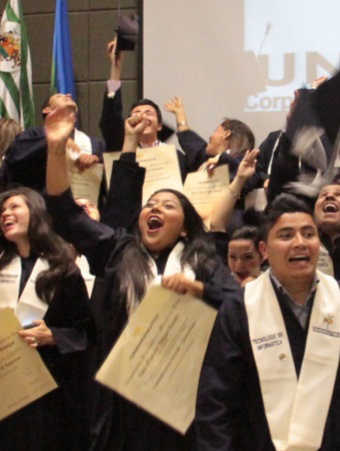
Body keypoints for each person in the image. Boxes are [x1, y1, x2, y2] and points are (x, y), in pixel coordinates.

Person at [46, 109, 238, 451]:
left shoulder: (202, 258)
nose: (155, 209)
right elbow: (65, 214)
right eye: (150, 205)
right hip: (127, 401)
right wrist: (56, 150)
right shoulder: (118, 252)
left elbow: (238, 306)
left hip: (190, 397)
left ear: (184, 226)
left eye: (168, 206)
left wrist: (199, 289)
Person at [194, 195, 340, 451]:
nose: (300, 243)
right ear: (264, 251)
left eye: (309, 234)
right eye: (286, 235)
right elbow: (217, 396)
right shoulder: (238, 308)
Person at [0, 104, 95, 451]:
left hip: (43, 392)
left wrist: (54, 336)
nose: (6, 213)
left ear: (37, 213)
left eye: (16, 206)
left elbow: (86, 331)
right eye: (2, 211)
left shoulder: (62, 269)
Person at [0, 92, 100, 197]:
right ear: (47, 110)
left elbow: (106, 180)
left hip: (81, 207)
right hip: (40, 206)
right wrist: (53, 142)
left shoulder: (93, 143)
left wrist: (97, 161)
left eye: (68, 95)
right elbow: (13, 161)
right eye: (59, 96)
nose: (68, 95)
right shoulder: (31, 136)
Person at [164, 95, 255, 176]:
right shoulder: (206, 159)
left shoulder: (246, 162)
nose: (210, 136)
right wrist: (180, 114)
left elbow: (240, 174)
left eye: (216, 131)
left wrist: (220, 160)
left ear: (226, 134)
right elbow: (191, 143)